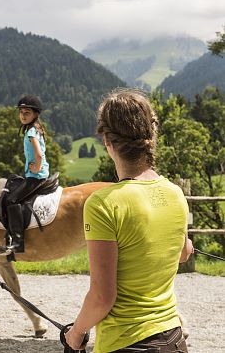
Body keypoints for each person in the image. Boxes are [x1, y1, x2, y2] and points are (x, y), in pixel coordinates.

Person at [65, 88, 194, 352]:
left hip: (127, 343)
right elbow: (184, 253)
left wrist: (76, 332)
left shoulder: (103, 204)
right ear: (151, 134)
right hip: (174, 339)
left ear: (107, 142)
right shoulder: (175, 193)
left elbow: (102, 297)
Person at [0, 95, 49, 255]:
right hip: (37, 174)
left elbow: (39, 155)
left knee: (12, 200)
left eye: (27, 112)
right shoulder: (36, 129)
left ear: (35, 114)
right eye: (21, 112)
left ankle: (18, 242)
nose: (23, 115)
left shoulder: (31, 133)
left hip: (36, 177)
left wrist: (36, 168)